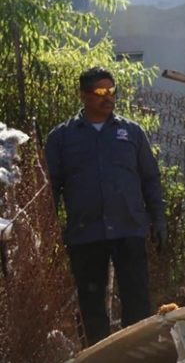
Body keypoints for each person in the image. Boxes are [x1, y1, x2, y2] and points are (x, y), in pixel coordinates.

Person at [45, 67, 166, 346]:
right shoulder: (62, 138)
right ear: (83, 96)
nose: (108, 97)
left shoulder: (132, 132)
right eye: (100, 92)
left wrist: (158, 219)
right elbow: (51, 188)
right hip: (86, 233)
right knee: (91, 306)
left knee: (137, 303)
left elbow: (150, 178)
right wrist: (49, 234)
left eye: (112, 90)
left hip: (129, 229)